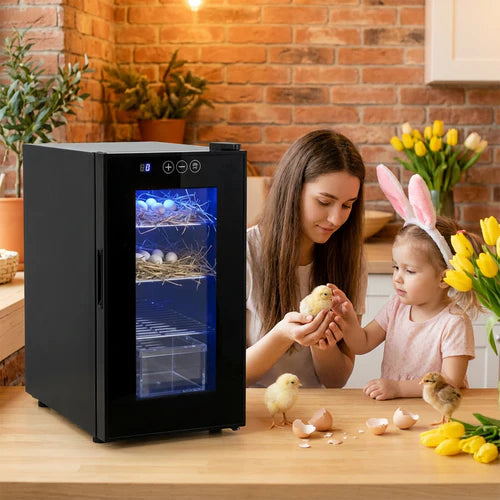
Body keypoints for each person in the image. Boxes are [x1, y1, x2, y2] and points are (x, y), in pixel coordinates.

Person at [329, 165, 481, 400]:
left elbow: (451, 382)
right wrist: (347, 319)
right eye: (395, 267)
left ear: (444, 278)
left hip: (437, 414)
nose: (397, 277)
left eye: (409, 270)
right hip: (397, 410)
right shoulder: (396, 307)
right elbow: (362, 343)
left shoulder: (453, 323)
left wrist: (399, 389)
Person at [246, 129, 367, 388]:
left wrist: (322, 343)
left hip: (315, 413)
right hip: (253, 413)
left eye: (347, 205)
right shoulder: (244, 253)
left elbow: (336, 381)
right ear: (292, 191)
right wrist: (283, 334)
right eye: (324, 202)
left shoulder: (350, 259)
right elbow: (228, 375)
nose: (336, 219)